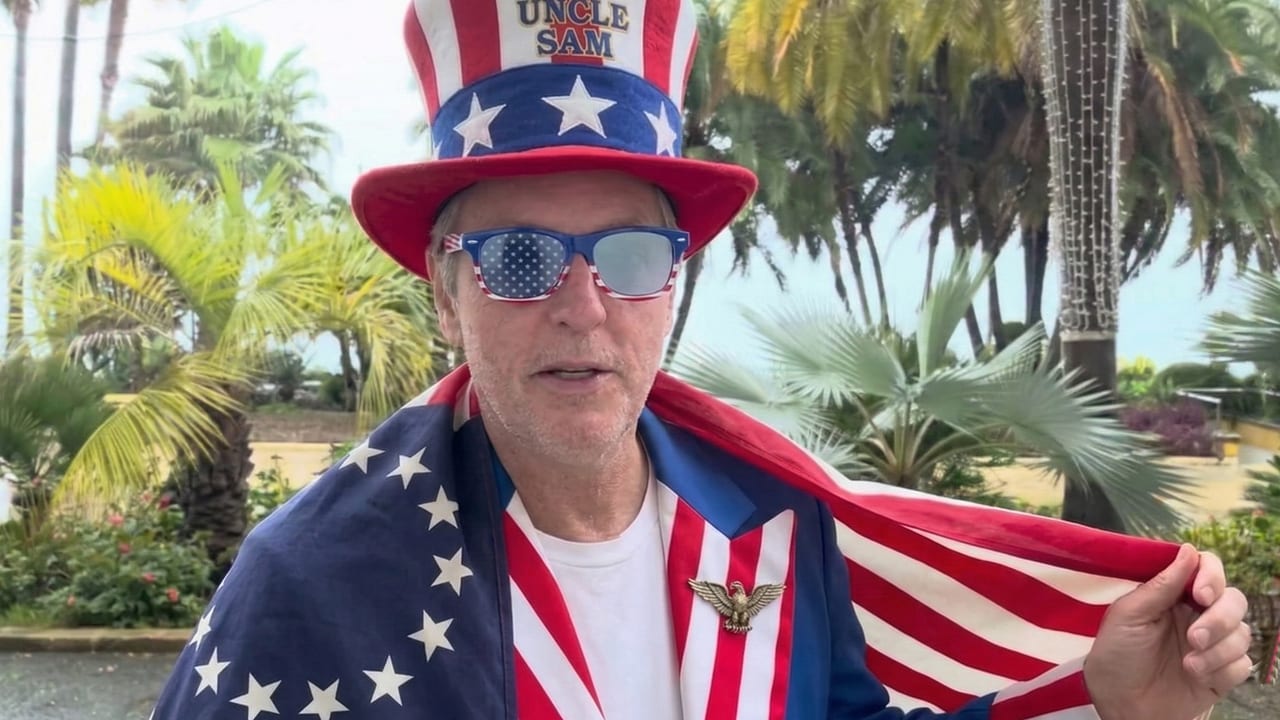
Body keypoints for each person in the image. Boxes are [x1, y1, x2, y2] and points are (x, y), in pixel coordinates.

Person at [150, 1, 1253, 718]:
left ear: (673, 283)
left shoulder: (773, 517)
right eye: (520, 256)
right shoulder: (312, 581)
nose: (583, 306)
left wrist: (1107, 700)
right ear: (445, 293)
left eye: (631, 255)